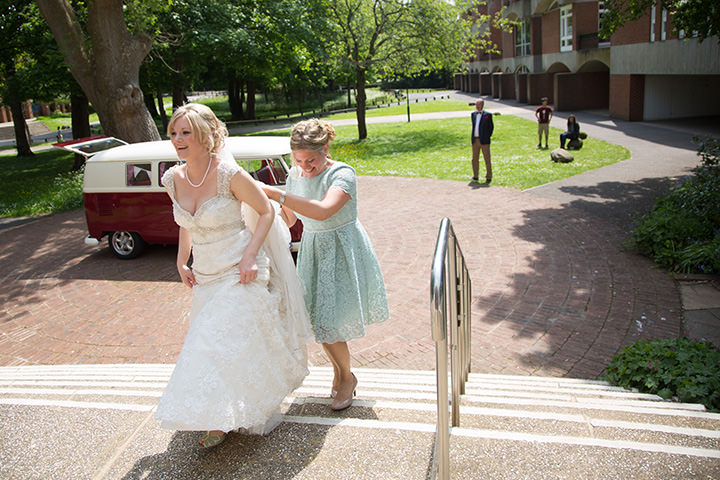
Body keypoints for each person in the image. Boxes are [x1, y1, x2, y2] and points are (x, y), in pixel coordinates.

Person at [154, 103, 312, 448]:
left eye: (186, 133)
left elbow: (264, 212)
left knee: (221, 341)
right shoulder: (172, 178)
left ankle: (221, 422)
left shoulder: (230, 175)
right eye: (174, 133)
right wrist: (182, 261)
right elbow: (185, 223)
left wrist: (251, 255)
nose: (178, 140)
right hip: (206, 273)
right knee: (210, 345)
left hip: (240, 269)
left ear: (207, 137)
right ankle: (219, 414)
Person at [262, 119, 390, 411]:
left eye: (312, 160)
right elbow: (289, 217)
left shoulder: (343, 173)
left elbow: (323, 211)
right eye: (298, 160)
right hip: (313, 251)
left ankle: (347, 378)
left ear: (326, 148)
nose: (305, 167)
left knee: (329, 324)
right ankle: (340, 372)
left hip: (342, 250)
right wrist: (258, 222)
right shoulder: (296, 174)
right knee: (318, 322)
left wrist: (276, 193)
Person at [470, 99, 494, 184]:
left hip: (484, 140)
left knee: (487, 159)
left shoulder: (487, 115)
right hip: (475, 140)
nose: (477, 106)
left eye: (479, 104)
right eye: (476, 104)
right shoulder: (473, 114)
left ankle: (489, 176)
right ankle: (475, 176)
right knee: (474, 159)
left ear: (482, 105)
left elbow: (491, 128)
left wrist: (486, 136)